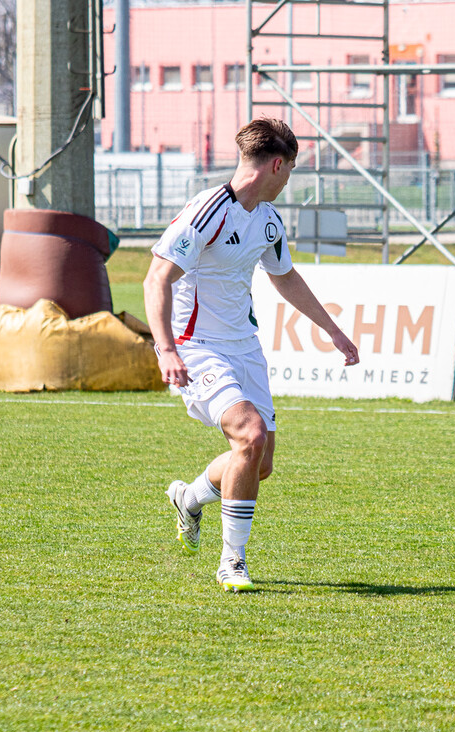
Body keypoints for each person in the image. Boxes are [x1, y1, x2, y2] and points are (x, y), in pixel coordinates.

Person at [144, 118, 360, 592]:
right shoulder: (207, 211)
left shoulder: (267, 218)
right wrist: (167, 350)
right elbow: (156, 278)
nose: (289, 181)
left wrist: (333, 331)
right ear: (277, 164)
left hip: (245, 347)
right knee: (250, 434)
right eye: (291, 171)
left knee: (259, 462)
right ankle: (232, 562)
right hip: (198, 348)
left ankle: (190, 499)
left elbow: (284, 277)